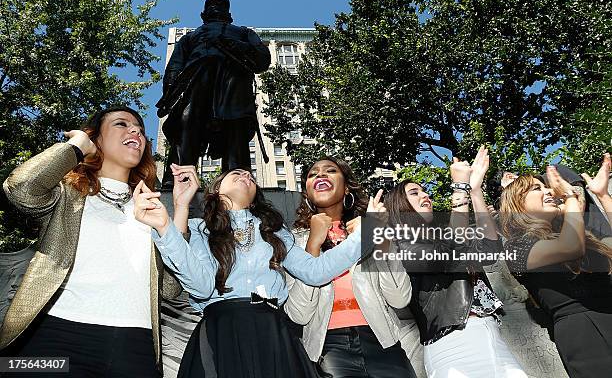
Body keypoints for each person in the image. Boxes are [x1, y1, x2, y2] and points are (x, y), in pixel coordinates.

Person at [133, 164, 384, 378]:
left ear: (255, 197)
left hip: (273, 331)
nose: (246, 176)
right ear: (216, 190)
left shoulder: (275, 231)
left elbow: (316, 271)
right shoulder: (200, 229)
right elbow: (201, 286)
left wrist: (367, 232)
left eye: (251, 177)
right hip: (222, 332)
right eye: (236, 174)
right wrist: (166, 228)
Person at [1, 107, 181, 377]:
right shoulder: (66, 194)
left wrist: (177, 214)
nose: (136, 131)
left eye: (141, 130)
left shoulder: (150, 207)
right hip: (54, 337)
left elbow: (171, 287)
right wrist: (76, 146)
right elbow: (20, 188)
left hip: (135, 346)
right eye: (122, 124)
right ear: (96, 140)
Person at [385, 146, 526, 378]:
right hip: (453, 344)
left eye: (424, 191)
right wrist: (460, 188)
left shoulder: (443, 233)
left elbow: (490, 250)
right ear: (398, 205)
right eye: (414, 192)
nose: (425, 195)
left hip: (491, 334)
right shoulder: (399, 243)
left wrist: (476, 191)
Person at [283, 156, 417, 378]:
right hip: (329, 349)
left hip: (384, 342)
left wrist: (380, 238)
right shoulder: (292, 242)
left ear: (346, 189)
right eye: (312, 174)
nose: (320, 175)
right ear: (306, 193)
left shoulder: (369, 231)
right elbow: (299, 314)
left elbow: (400, 299)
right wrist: (313, 244)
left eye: (330, 171)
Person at [500, 155, 612, 378]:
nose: (550, 191)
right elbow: (570, 248)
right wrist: (570, 195)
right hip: (587, 334)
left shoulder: (580, 236)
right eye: (536, 188)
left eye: (548, 187)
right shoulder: (516, 247)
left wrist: (602, 195)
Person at [156, 0, 271, 186]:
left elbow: (262, 59)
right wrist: (170, 93)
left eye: (220, 5)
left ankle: (238, 183)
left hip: (233, 85)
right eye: (211, 4)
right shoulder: (189, 38)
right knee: (186, 126)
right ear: (203, 13)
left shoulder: (244, 33)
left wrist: (234, 44)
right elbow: (174, 66)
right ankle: (178, 179)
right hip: (195, 82)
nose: (215, 7)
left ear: (229, 13)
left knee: (236, 131)